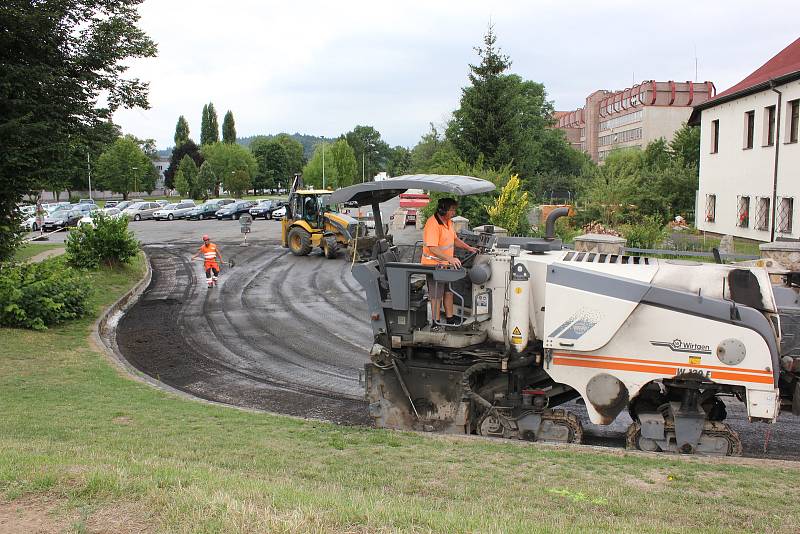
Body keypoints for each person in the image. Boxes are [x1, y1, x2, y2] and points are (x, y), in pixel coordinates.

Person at [421, 197, 478, 326]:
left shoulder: (449, 223)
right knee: (436, 296)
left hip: (446, 265)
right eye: (452, 210)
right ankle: (436, 323)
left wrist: (469, 248)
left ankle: (450, 319)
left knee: (449, 291)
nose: (454, 213)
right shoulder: (433, 224)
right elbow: (433, 247)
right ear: (443, 210)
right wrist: (450, 259)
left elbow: (455, 239)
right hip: (433, 265)